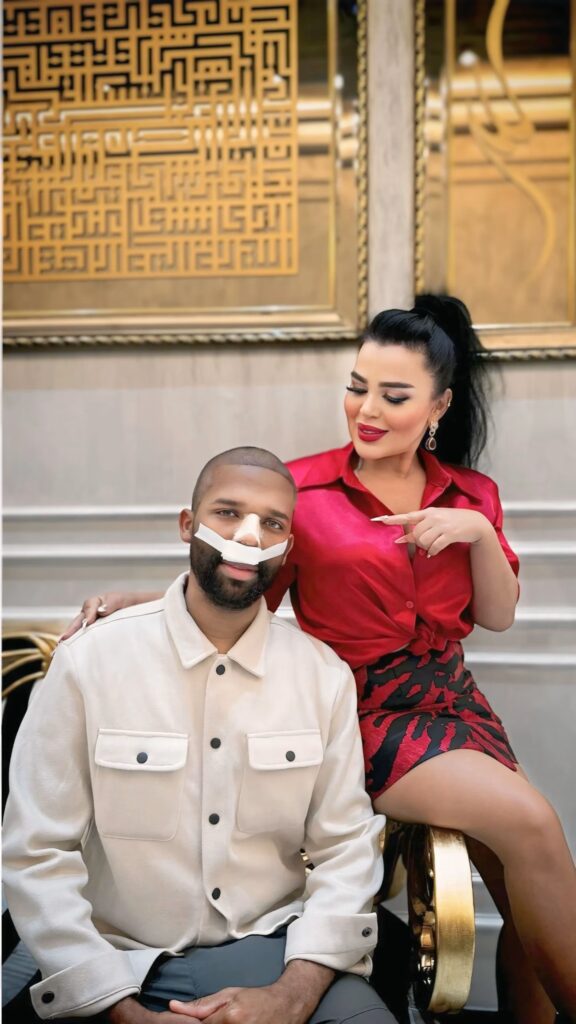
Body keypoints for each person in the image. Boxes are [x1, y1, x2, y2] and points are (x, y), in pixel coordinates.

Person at [63, 296, 576, 1024]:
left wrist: (477, 533)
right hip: (364, 711)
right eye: (357, 387)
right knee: (535, 829)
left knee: (516, 869)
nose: (367, 409)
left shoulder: (472, 494)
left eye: (393, 395)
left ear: (438, 405)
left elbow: (496, 615)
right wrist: (138, 601)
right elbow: (243, 588)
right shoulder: (304, 492)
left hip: (456, 702)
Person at [3, 448, 394, 1024]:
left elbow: (346, 849)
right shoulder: (89, 662)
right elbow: (36, 851)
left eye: (272, 523)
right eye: (228, 513)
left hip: (278, 953)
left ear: (287, 546)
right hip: (118, 963)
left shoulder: (322, 676)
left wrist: (294, 994)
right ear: (188, 524)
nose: (249, 537)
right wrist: (116, 1007)